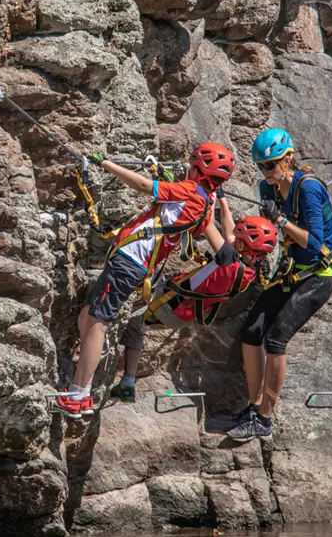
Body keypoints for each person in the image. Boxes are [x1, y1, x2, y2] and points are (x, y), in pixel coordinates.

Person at [56, 144, 236, 420]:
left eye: (191, 164)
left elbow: (142, 184)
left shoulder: (188, 192)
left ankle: (80, 393)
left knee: (97, 324)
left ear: (198, 170)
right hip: (138, 266)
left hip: (130, 261)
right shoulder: (206, 204)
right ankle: (81, 390)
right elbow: (222, 249)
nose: (186, 166)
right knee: (87, 318)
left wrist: (104, 162)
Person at [227, 128, 332, 443]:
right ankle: (254, 406)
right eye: (262, 167)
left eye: (271, 165)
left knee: (276, 339)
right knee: (251, 332)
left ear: (287, 159)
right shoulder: (268, 186)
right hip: (292, 270)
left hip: (319, 274)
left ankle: (265, 418)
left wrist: (280, 221)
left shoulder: (309, 188)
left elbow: (316, 242)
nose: (266, 172)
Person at [108, 216, 279, 404]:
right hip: (179, 312)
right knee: (135, 325)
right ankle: (127, 383)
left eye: (239, 241)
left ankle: (121, 374)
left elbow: (205, 222)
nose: (234, 241)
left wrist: (205, 198)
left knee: (142, 262)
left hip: (168, 304)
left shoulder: (228, 260)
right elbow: (230, 237)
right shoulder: (246, 269)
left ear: (243, 247)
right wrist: (221, 198)